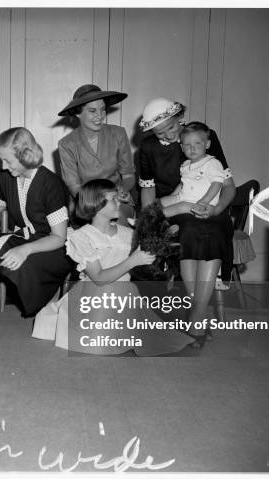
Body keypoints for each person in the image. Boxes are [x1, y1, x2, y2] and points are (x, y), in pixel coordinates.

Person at [32, 179, 194, 355]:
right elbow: (99, 279)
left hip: (125, 294)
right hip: (94, 295)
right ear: (96, 204)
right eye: (113, 199)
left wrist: (156, 245)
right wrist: (133, 260)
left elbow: (142, 263)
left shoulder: (127, 233)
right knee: (100, 340)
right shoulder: (81, 237)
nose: (120, 202)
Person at [138, 98, 236, 346]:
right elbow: (150, 193)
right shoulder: (148, 148)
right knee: (190, 229)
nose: (171, 136)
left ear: (179, 118)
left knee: (212, 230)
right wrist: (154, 214)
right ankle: (198, 315)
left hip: (213, 207)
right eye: (161, 132)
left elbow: (227, 185)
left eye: (172, 128)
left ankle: (196, 315)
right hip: (176, 206)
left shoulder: (202, 135)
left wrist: (217, 210)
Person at [0, 127, 74, 318]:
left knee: (23, 261)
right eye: (2, 160)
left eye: (8, 160)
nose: (4, 166)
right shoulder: (6, 178)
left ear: (26, 155)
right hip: (23, 237)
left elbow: (58, 237)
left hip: (52, 246)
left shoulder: (51, 184)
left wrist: (25, 250)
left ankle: (32, 295)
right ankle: (5, 289)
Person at [57, 84, 135, 202]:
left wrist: (120, 192)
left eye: (103, 109)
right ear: (78, 113)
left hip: (118, 199)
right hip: (85, 203)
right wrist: (99, 203)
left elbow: (128, 176)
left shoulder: (118, 133)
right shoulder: (66, 144)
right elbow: (74, 187)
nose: (100, 115)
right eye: (92, 111)